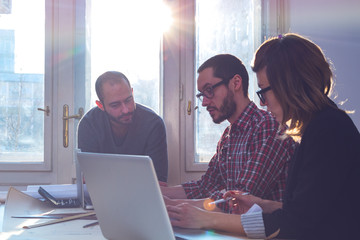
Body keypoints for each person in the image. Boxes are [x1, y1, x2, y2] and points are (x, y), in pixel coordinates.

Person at [166, 34, 360, 239]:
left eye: (264, 92)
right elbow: (306, 209)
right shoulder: (319, 127)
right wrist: (262, 204)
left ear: (288, 85)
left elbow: (295, 224)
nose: (262, 104)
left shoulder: (328, 129)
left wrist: (205, 218)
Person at [162, 54, 297, 212]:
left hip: (268, 234)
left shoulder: (267, 126)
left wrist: (172, 206)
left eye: (209, 90)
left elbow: (242, 199)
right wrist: (162, 193)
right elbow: (205, 186)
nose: (204, 102)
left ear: (236, 83)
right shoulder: (228, 136)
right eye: (201, 94)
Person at [77, 71, 168, 182]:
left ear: (132, 93)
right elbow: (89, 180)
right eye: (115, 105)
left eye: (128, 100)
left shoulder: (153, 124)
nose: (126, 109)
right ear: (101, 105)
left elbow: (160, 181)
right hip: (102, 196)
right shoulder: (89, 125)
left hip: (145, 196)